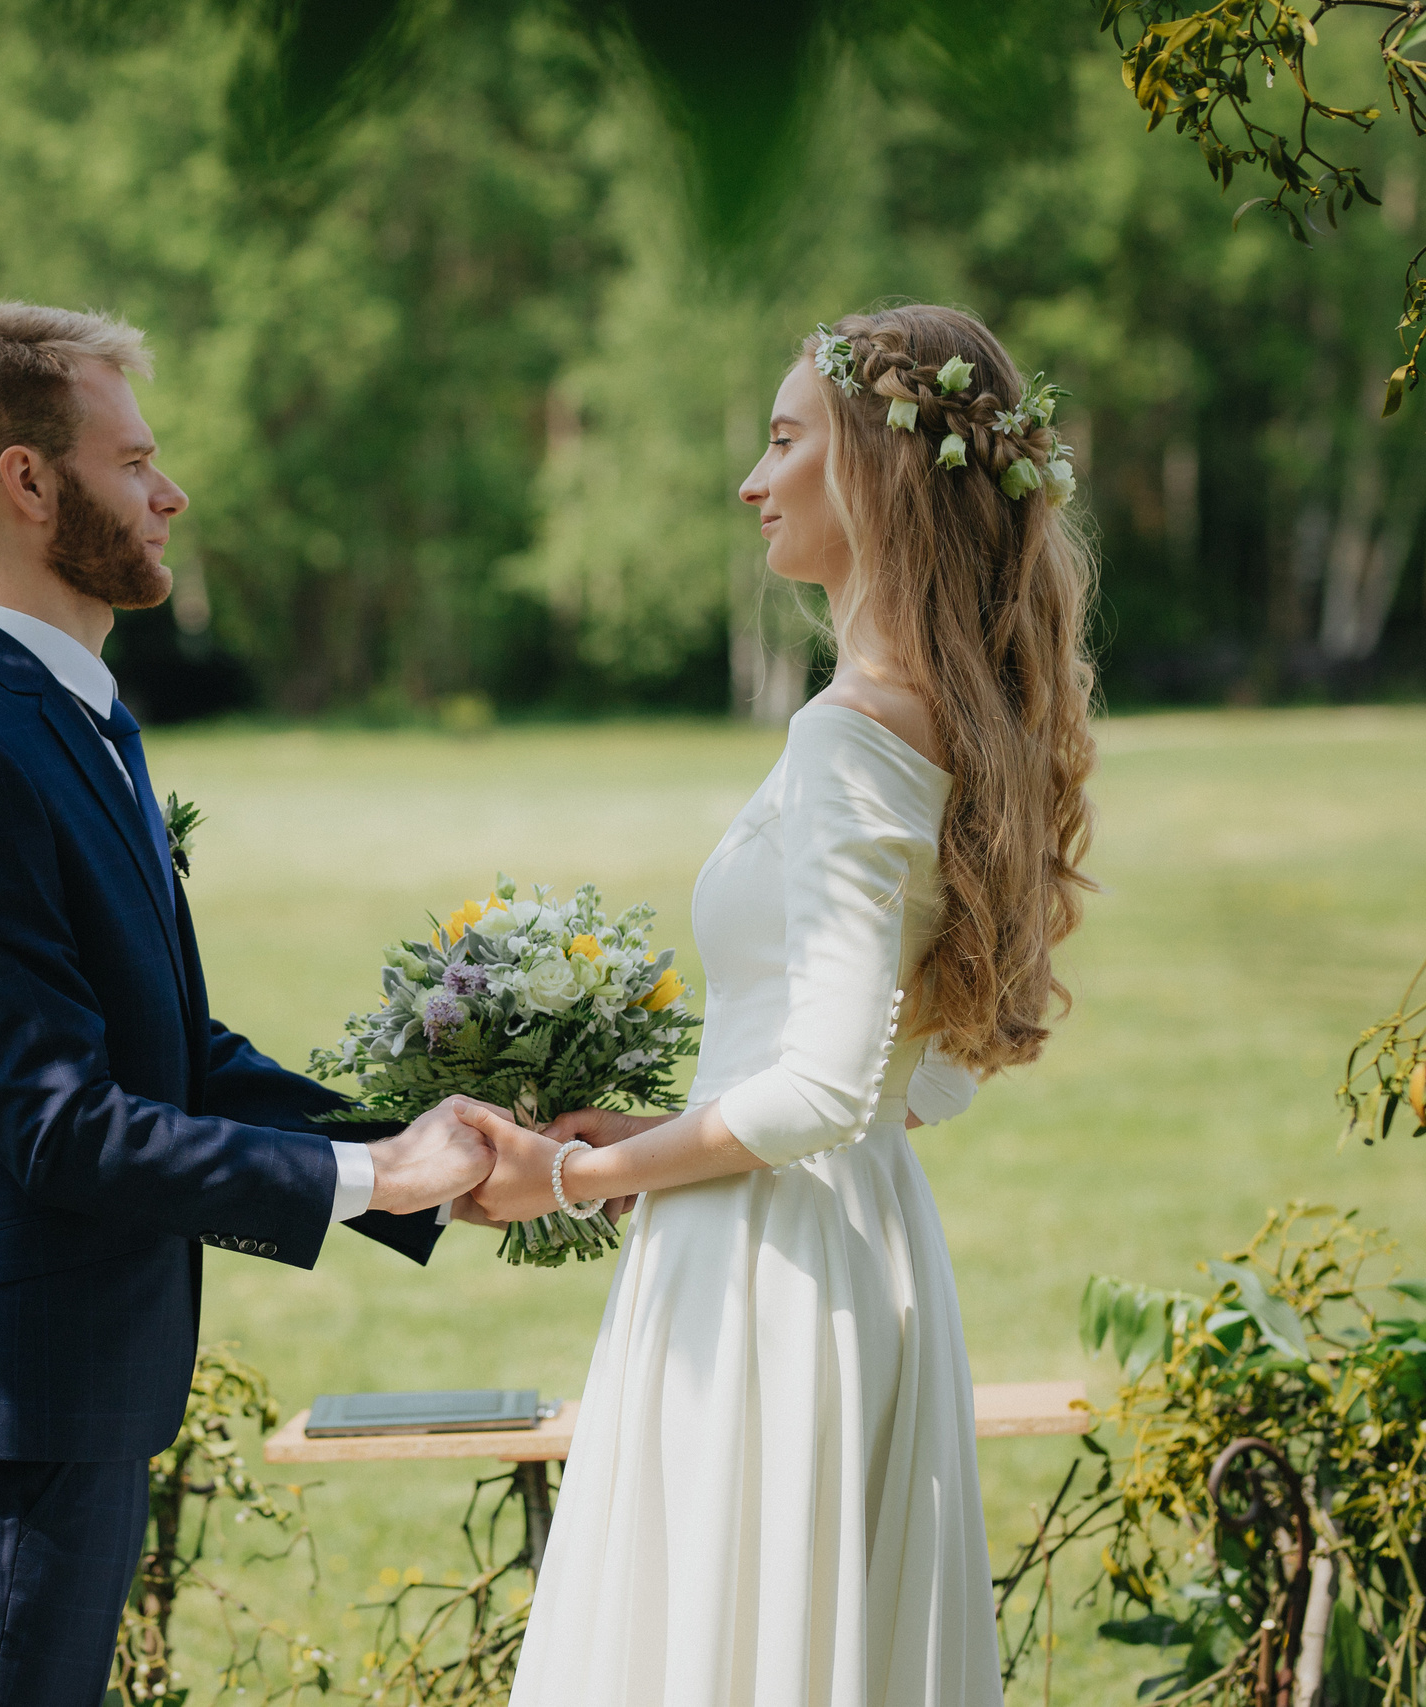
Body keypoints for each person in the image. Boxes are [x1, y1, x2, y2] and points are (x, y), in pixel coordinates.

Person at [0, 301, 496, 1705]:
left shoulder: (78, 723)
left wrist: (420, 1169)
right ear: (29, 482)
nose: (170, 492)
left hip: (64, 1396)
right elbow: (58, 1124)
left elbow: (171, 1054)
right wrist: (379, 1175)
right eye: (134, 460)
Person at [462, 306, 1096, 1706]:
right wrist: (662, 1131)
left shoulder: (850, 732)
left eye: (784, 439)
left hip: (768, 1267)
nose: (754, 480)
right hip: (860, 1239)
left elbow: (819, 1087)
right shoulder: (953, 716)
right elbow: (924, 1075)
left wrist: (570, 1177)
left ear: (873, 472)